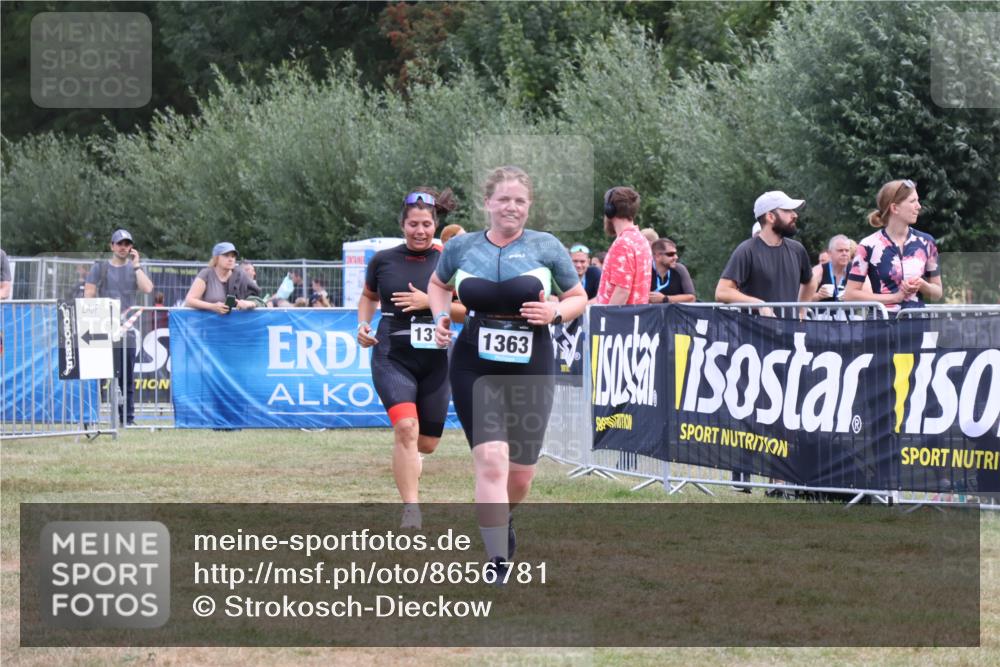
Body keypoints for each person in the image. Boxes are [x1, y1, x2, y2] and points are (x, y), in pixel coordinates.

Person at [427, 166, 588, 578]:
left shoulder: (546, 247)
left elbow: (577, 297)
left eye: (519, 200)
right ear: (488, 203)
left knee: (519, 476)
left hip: (531, 364)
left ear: (528, 205)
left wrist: (554, 311)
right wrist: (441, 316)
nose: (511, 207)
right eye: (503, 199)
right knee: (492, 461)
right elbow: (438, 285)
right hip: (473, 364)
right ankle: (497, 558)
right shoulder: (461, 247)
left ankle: (504, 516)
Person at [358, 188, 459, 530]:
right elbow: (368, 298)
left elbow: (465, 311)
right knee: (405, 428)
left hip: (436, 360)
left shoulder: (450, 260)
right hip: (392, 354)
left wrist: (428, 303)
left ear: (436, 224)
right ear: (402, 225)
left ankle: (414, 457)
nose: (420, 230)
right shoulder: (383, 260)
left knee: (426, 443)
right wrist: (362, 324)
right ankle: (411, 509)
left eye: (427, 224)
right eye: (413, 224)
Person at [84, 229, 155, 425]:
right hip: (102, 328)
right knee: (98, 377)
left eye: (127, 244)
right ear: (112, 246)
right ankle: (92, 418)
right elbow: (88, 293)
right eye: (120, 243)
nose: (123, 247)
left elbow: (148, 288)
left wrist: (137, 265)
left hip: (127, 331)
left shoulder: (135, 268)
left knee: (126, 378)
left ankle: (127, 419)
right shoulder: (100, 267)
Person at [844, 179, 941, 311]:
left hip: (917, 324)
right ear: (894, 208)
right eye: (913, 201)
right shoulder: (867, 245)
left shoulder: (927, 242)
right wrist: (895, 298)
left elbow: (937, 293)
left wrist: (922, 284)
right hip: (880, 326)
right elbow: (850, 295)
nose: (918, 206)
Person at [715, 190, 816, 316]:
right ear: (770, 217)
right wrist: (759, 304)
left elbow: (810, 281)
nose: (794, 215)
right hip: (755, 333)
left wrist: (801, 313)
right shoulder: (746, 250)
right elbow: (722, 292)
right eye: (787, 210)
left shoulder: (797, 249)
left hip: (790, 332)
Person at [595, 187, 652, 305]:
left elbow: (622, 291)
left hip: (619, 321)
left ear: (609, 210)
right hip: (636, 318)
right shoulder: (641, 240)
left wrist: (607, 319)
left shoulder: (622, 243)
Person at [184, 242, 259, 314]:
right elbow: (189, 301)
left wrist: (249, 303)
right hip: (208, 323)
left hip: (235, 323)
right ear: (216, 258)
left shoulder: (240, 275)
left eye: (233, 256)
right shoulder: (206, 274)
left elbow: (258, 300)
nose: (231, 259)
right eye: (226, 255)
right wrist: (212, 306)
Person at [811, 234, 865, 319]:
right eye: (840, 250)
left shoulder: (856, 270)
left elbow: (870, 295)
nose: (844, 254)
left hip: (848, 323)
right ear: (830, 253)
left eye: (847, 251)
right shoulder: (819, 270)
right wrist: (818, 296)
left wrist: (852, 296)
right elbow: (802, 298)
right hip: (822, 322)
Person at [649, 238, 696, 304]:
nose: (676, 257)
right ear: (657, 256)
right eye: (670, 254)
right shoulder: (646, 271)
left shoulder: (680, 269)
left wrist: (665, 298)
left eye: (675, 253)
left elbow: (691, 298)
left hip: (675, 313)